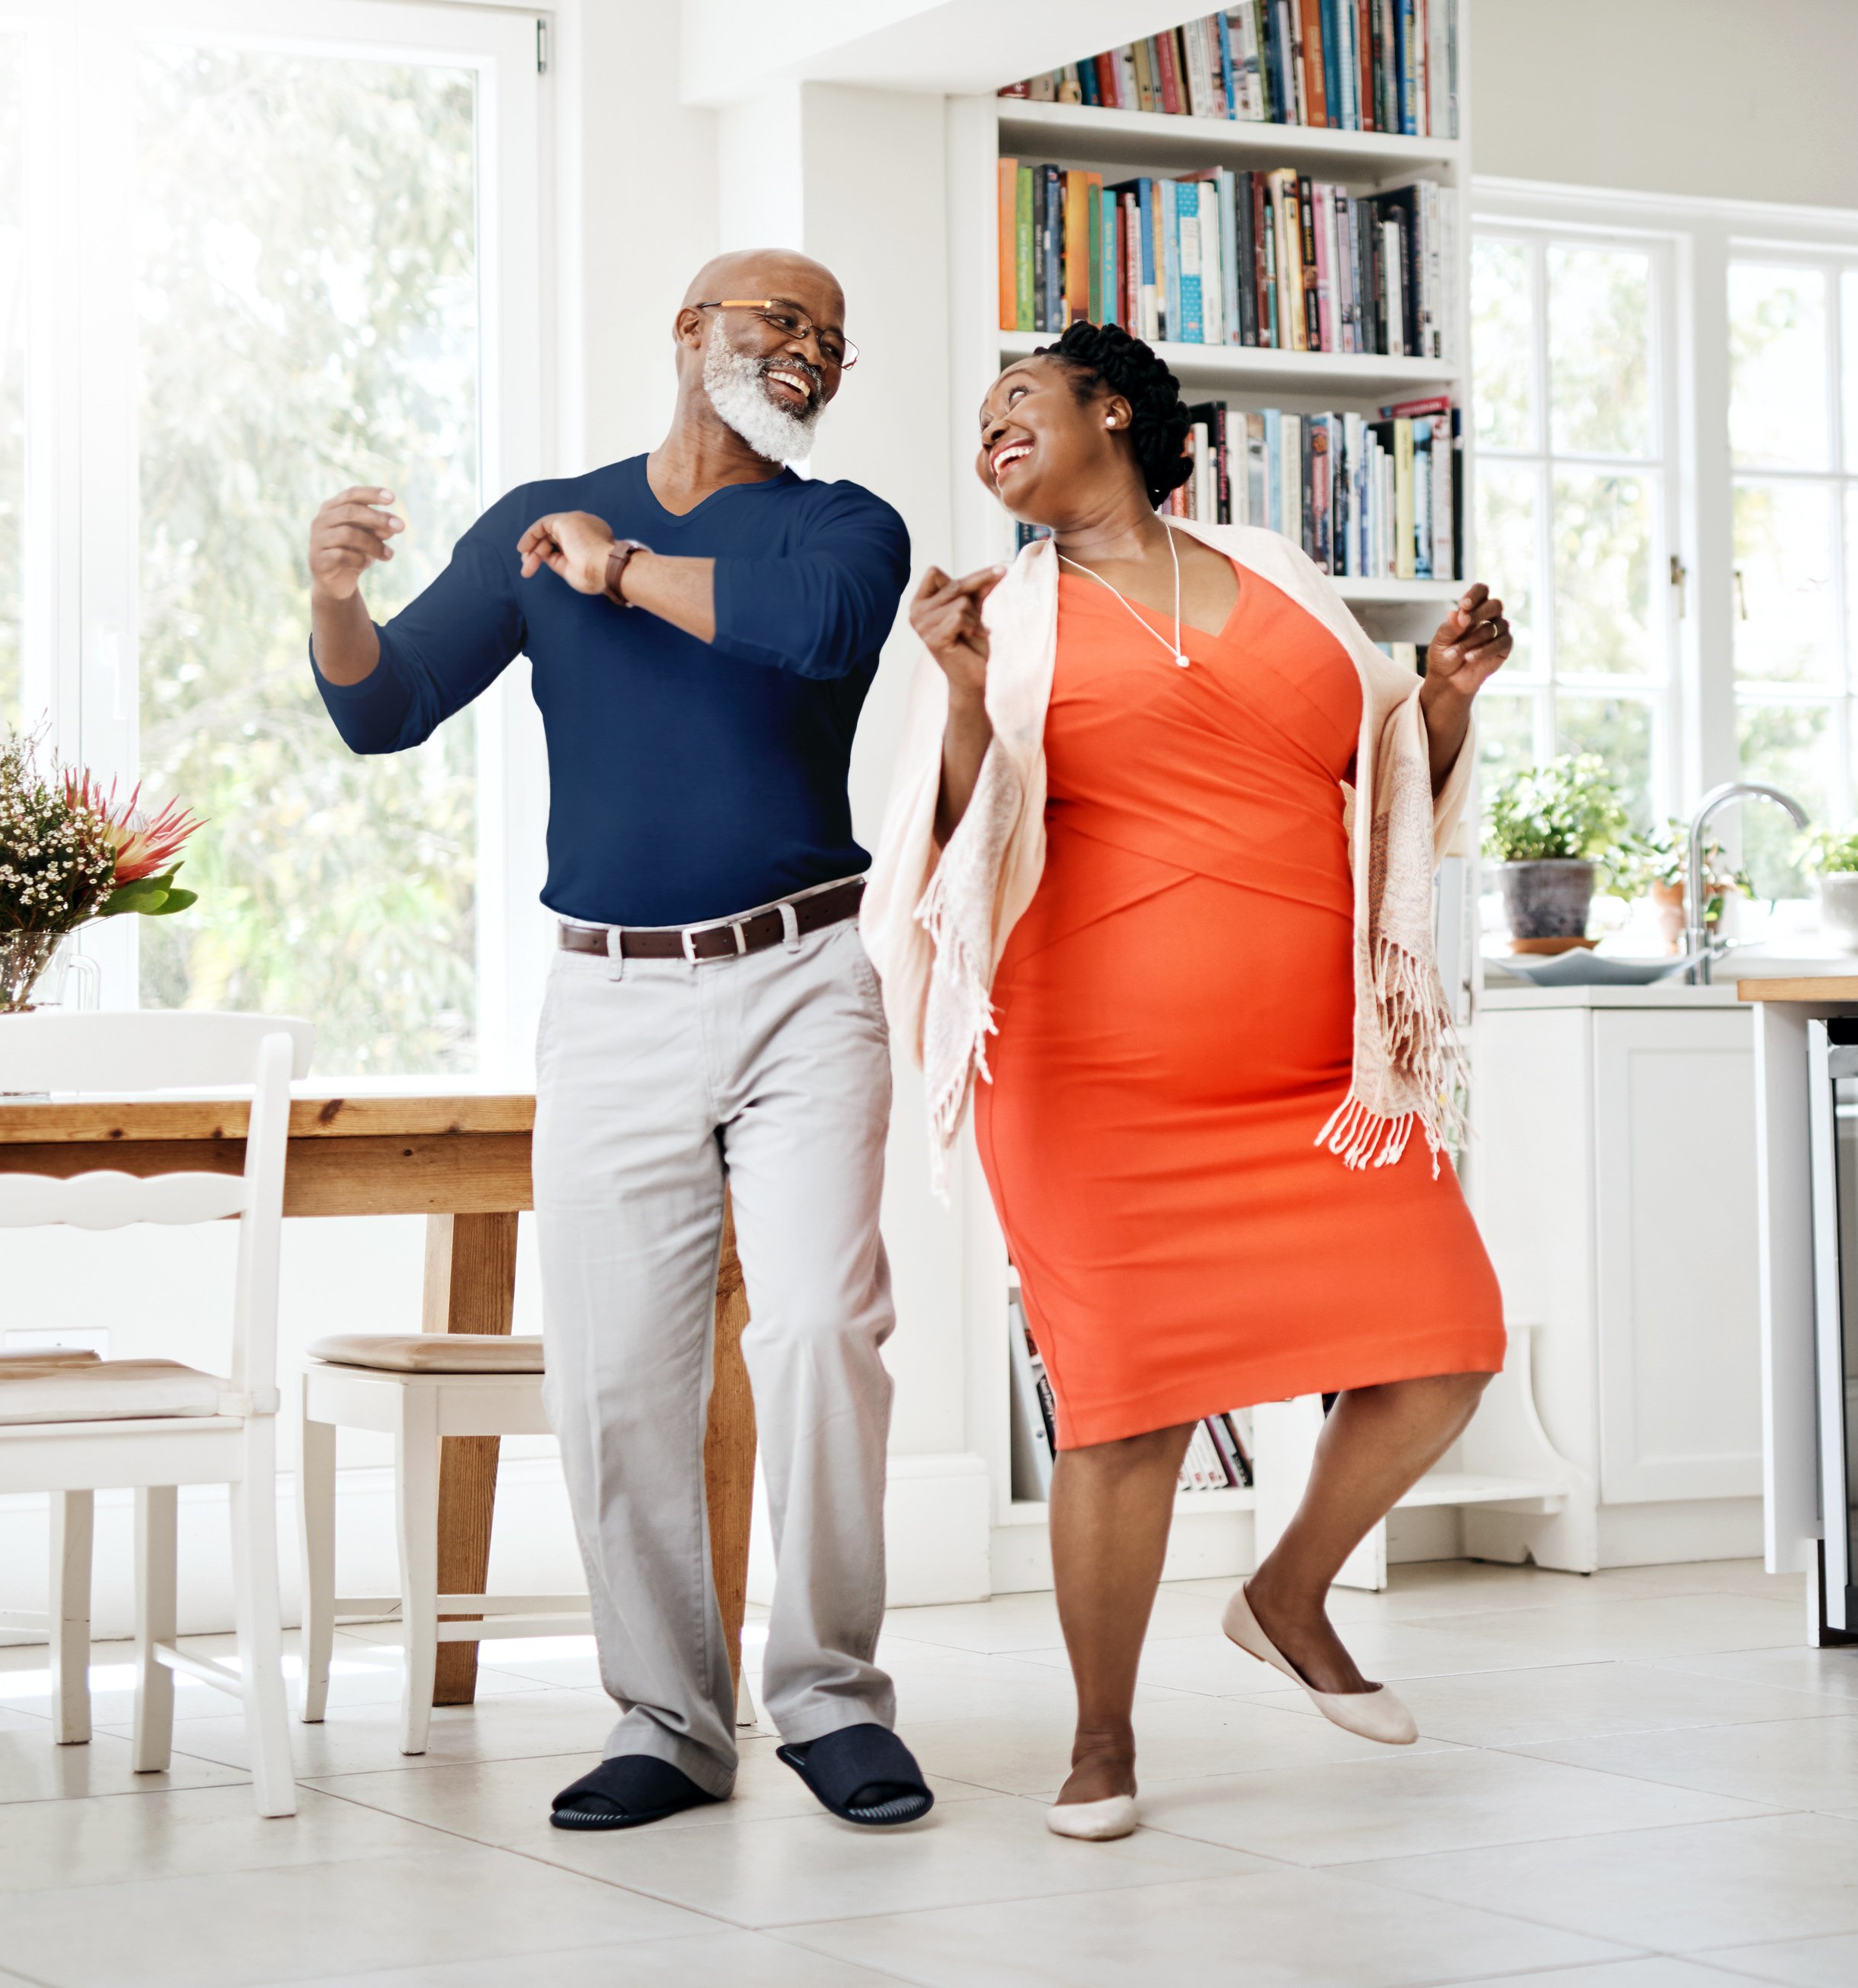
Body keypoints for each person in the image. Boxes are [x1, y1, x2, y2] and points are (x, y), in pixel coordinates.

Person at [305, 249, 934, 1833]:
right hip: (609, 993)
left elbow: (806, 632)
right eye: (776, 316)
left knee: (816, 1329)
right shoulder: (543, 511)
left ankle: (830, 1698)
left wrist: (616, 569)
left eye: (829, 339)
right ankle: (669, 1719)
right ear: (690, 332)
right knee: (617, 1371)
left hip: (802, 978)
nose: (806, 348)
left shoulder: (838, 523)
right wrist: (334, 600)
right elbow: (387, 712)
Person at [864, 321, 1516, 1840]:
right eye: (978, 419)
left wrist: (1447, 695)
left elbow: (1383, 785)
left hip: (1318, 1075)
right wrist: (962, 696)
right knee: (1124, 1409)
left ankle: (1286, 1591)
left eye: (1015, 400)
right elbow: (948, 855)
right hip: (1090, 1087)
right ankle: (1100, 1741)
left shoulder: (1278, 571)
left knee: (1444, 1343)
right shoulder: (1001, 619)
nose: (990, 429)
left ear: (1111, 411)